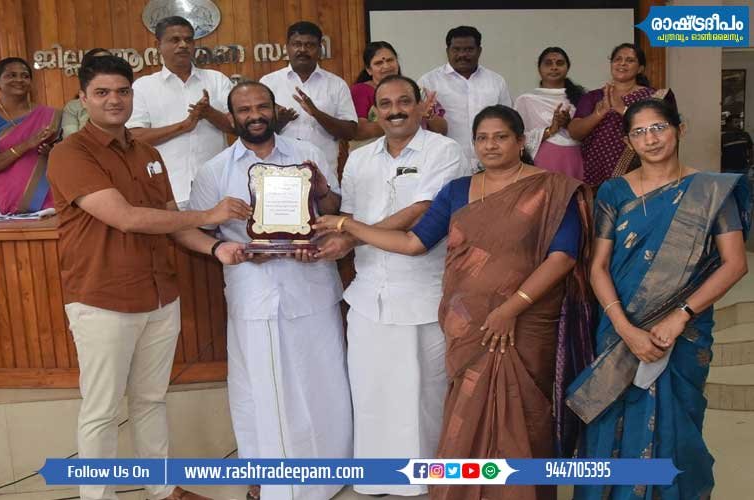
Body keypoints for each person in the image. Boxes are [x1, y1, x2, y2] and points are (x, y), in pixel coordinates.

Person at [315, 105, 595, 500]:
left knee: (522, 415)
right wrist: (349, 225)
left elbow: (562, 258)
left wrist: (510, 309)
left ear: (520, 141)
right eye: (482, 138)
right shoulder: (458, 190)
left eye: (501, 137)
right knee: (466, 414)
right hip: (468, 325)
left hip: (525, 324)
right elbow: (413, 242)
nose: (491, 145)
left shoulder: (551, 190)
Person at [47, 55, 249, 500]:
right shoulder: (70, 153)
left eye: (122, 91)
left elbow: (171, 220)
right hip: (103, 299)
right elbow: (127, 218)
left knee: (151, 400)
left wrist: (215, 247)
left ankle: (161, 489)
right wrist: (210, 215)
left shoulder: (148, 153)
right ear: (83, 99)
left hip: (160, 295)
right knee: (101, 410)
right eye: (102, 92)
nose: (114, 100)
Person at [567, 99, 750, 500]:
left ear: (679, 129)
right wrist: (625, 328)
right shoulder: (613, 191)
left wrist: (680, 316)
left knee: (675, 426)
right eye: (639, 132)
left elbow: (735, 264)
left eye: (658, 128)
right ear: (628, 141)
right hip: (619, 326)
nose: (650, 139)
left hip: (682, 331)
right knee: (610, 419)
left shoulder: (710, 191)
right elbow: (598, 267)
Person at [188, 81, 352, 500]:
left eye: (262, 106)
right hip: (253, 291)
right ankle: (266, 479)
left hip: (310, 286)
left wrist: (321, 191)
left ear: (275, 110)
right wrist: (225, 248)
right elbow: (195, 228)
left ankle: (328, 476)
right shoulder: (214, 170)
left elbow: (333, 209)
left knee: (322, 380)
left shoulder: (307, 155)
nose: (255, 115)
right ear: (231, 118)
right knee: (258, 389)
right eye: (244, 110)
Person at [315, 75, 465, 496]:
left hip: (420, 294)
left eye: (404, 101)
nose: (395, 110)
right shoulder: (359, 158)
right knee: (371, 391)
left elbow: (423, 210)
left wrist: (349, 235)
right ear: (375, 111)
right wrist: (340, 226)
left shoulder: (444, 151)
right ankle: (376, 478)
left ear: (420, 106)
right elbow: (349, 213)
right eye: (385, 103)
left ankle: (423, 482)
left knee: (422, 394)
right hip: (368, 296)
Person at [127, 16, 234, 207]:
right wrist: (183, 126)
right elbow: (134, 137)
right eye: (175, 40)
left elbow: (236, 126)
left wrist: (209, 113)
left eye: (188, 39)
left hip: (219, 188)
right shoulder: (143, 87)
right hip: (168, 192)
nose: (183, 45)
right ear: (158, 45)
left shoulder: (216, 80)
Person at [567, 43, 676, 187]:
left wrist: (623, 109)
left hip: (641, 172)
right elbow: (574, 133)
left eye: (630, 60)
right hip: (595, 173)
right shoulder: (593, 97)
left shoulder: (653, 97)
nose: (622, 63)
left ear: (640, 68)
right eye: (618, 59)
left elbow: (664, 131)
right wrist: (599, 113)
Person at [260, 21, 357, 170]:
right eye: (296, 44)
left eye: (310, 45)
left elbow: (350, 132)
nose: (302, 50)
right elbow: (257, 134)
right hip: (279, 171)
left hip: (322, 171)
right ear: (287, 48)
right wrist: (280, 122)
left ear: (320, 49)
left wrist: (317, 114)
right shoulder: (268, 83)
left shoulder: (336, 84)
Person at [0, 57, 61, 214]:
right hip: (7, 207)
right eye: (11, 75)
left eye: (25, 76)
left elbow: (67, 154)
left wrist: (52, 153)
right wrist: (27, 144)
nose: (19, 80)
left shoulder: (52, 115)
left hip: (52, 203)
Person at [418, 26, 512, 170]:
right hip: (445, 163)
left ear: (479, 51)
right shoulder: (429, 82)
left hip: (490, 163)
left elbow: (507, 123)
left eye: (469, 49)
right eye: (456, 49)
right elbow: (419, 125)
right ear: (447, 51)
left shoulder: (496, 81)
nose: (462, 54)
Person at [350, 41, 447, 145]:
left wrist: (428, 116)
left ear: (397, 62)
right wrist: (405, 122)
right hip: (375, 153)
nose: (386, 66)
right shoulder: (361, 91)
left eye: (390, 60)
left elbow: (442, 130)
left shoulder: (416, 90)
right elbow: (358, 131)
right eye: (379, 63)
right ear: (369, 70)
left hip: (420, 152)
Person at [514, 47, 585, 180]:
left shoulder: (582, 99)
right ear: (539, 69)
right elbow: (516, 139)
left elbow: (591, 134)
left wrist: (569, 124)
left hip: (576, 161)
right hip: (542, 163)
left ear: (568, 67)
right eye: (548, 63)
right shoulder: (525, 101)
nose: (554, 67)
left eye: (559, 63)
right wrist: (550, 130)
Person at [61, 48, 111, 137]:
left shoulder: (123, 101)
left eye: (108, 61)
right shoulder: (73, 107)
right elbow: (71, 139)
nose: (103, 66)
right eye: (98, 62)